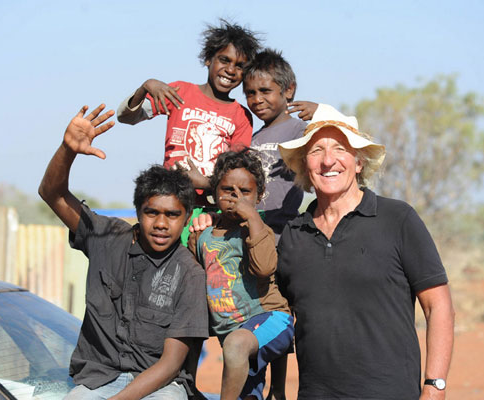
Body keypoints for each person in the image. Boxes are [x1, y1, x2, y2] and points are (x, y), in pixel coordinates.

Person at [276, 104, 455, 399]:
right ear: (304, 165)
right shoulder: (293, 235)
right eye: (316, 150)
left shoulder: (398, 219)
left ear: (359, 162)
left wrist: (435, 387)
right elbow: (280, 316)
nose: (328, 160)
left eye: (340, 148)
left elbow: (439, 307)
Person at [38, 104, 209, 400]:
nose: (160, 224)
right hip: (98, 381)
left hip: (161, 387)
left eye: (172, 215)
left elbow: (170, 365)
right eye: (151, 212)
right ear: (138, 212)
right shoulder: (108, 237)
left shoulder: (190, 273)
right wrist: (68, 150)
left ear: (186, 217)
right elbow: (52, 194)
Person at [117, 19, 261, 245]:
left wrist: (204, 182)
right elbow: (127, 117)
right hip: (169, 205)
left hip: (210, 214)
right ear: (208, 59)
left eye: (239, 65)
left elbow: (236, 175)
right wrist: (146, 86)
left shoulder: (241, 116)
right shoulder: (180, 92)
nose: (230, 70)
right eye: (224, 60)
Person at [187, 149, 294, 400]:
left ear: (259, 197)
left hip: (270, 321)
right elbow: (194, 282)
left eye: (245, 192)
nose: (236, 197)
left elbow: (265, 268)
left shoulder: (258, 230)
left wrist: (253, 218)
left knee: (235, 345)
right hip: (234, 337)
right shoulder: (201, 235)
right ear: (215, 193)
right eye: (227, 190)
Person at [242, 48, 318, 242]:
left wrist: (321, 113)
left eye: (265, 91)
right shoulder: (251, 138)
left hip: (281, 235)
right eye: (250, 93)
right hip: (249, 232)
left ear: (289, 90)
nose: (257, 99)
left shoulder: (300, 131)